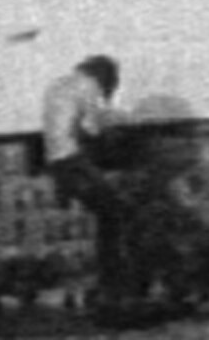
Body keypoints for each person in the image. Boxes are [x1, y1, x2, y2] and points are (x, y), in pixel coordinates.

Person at [42, 54, 136, 310]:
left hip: (55, 159)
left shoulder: (59, 85)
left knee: (106, 213)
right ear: (106, 78)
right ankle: (112, 282)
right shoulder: (90, 86)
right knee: (117, 214)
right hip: (74, 159)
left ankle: (104, 281)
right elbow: (93, 128)